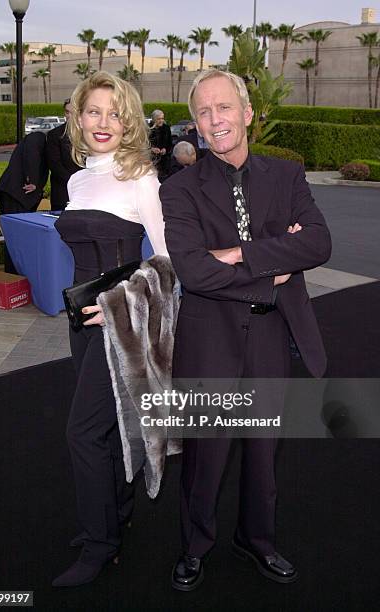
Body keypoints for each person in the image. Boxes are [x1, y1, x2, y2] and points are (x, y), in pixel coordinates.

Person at [159, 69, 332, 591]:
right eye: (205, 113)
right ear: (196, 126)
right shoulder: (179, 189)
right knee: (204, 454)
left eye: (225, 108)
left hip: (273, 337)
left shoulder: (287, 176)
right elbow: (191, 269)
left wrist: (238, 254)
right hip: (209, 338)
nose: (216, 120)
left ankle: (258, 541)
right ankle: (195, 546)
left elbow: (318, 243)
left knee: (264, 451)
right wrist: (272, 271)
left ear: (247, 112)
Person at [52, 71, 168, 588]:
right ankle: (113, 515)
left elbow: (168, 259)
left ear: (129, 121)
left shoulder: (140, 174)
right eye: (94, 111)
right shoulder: (78, 178)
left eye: (115, 112)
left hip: (119, 322)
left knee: (82, 432)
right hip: (82, 323)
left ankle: (101, 545)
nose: (104, 122)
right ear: (78, 117)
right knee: (107, 428)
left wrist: (122, 300)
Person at [0, 131, 48, 273]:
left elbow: (14, 168)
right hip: (20, 194)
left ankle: (15, 275)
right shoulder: (38, 138)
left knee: (15, 238)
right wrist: (33, 181)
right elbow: (31, 157)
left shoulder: (35, 139)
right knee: (16, 238)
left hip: (16, 194)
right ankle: (15, 276)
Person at [46, 98, 81, 211]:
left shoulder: (89, 134)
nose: (70, 116)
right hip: (62, 193)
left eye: (73, 112)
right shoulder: (54, 135)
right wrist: (74, 181)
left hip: (86, 192)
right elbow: (54, 164)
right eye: (67, 112)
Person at [149, 109, 173, 181]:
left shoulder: (166, 128)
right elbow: (143, 144)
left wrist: (165, 149)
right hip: (151, 160)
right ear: (153, 119)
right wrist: (151, 149)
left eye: (162, 118)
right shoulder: (147, 129)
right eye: (158, 119)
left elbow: (170, 143)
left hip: (164, 161)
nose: (161, 121)